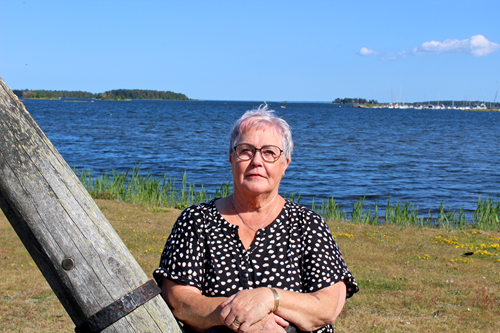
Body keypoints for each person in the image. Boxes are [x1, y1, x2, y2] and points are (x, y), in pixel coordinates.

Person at [153, 104, 358, 333]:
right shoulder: (196, 221)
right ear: (231, 159)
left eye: (270, 152)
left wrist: (269, 299)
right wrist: (243, 318)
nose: (257, 161)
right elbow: (180, 300)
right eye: (246, 150)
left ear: (284, 165)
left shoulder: (308, 225)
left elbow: (328, 307)